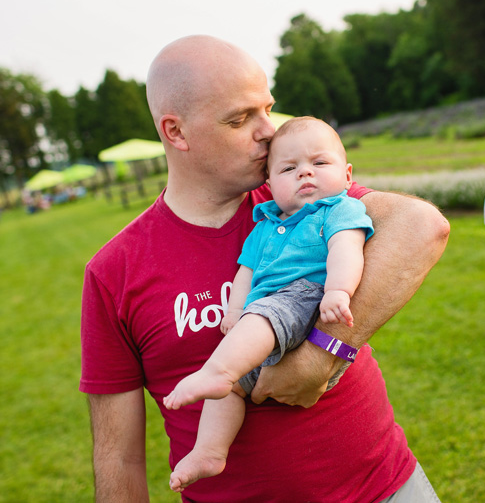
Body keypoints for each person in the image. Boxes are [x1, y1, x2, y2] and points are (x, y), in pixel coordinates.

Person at [80, 35, 449, 503]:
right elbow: (119, 458)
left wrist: (321, 354)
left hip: (385, 488)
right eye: (239, 119)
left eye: (266, 109)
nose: (269, 132)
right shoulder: (114, 272)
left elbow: (423, 226)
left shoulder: (298, 200)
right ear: (175, 132)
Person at [163, 116, 375, 492]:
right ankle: (210, 449)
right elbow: (246, 271)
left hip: (308, 295)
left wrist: (337, 292)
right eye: (289, 169)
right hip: (264, 316)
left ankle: (217, 370)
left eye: (319, 164)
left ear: (347, 174)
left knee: (259, 322)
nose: (305, 174)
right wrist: (234, 310)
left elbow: (347, 249)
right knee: (233, 386)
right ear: (270, 184)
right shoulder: (263, 225)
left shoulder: (338, 210)